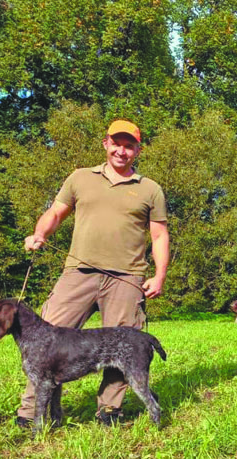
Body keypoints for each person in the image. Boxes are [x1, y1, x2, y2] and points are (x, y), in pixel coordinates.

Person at [15, 119, 170, 427]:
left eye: (129, 146)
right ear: (105, 144)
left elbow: (159, 236)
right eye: (117, 143)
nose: (122, 151)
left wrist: (160, 274)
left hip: (127, 279)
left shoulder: (150, 189)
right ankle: (33, 412)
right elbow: (56, 212)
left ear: (138, 150)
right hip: (78, 273)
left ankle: (109, 410)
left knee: (123, 345)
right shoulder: (80, 178)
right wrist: (39, 234)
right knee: (45, 343)